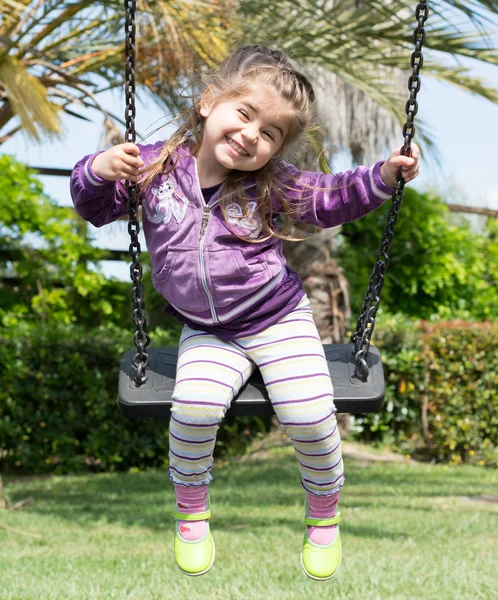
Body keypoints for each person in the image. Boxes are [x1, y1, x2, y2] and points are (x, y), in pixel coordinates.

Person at [71, 44, 420, 581]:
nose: (252, 134)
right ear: (210, 102)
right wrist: (97, 169)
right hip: (207, 331)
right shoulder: (156, 168)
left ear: (278, 148)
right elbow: (95, 209)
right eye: (244, 113)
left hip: (277, 320)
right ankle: (192, 513)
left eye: (271, 133)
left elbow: (331, 196)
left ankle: (324, 515)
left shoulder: (272, 184)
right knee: (193, 409)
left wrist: (383, 178)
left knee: (308, 414)